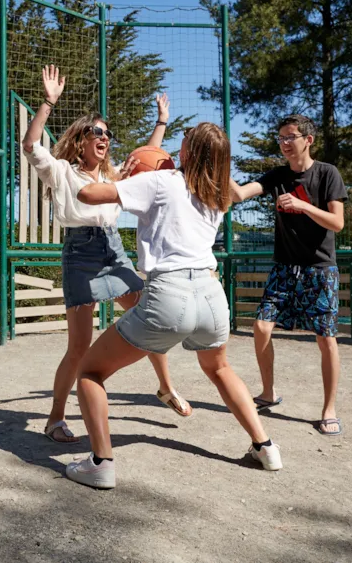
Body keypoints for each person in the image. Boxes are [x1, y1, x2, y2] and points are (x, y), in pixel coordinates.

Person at [66, 123, 282, 489]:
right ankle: (266, 447)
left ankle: (101, 463)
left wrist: (124, 175)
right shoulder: (218, 195)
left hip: (169, 293)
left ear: (187, 151)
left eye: (183, 141)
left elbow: (88, 193)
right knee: (220, 369)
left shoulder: (161, 181)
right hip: (212, 295)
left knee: (89, 372)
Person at [22, 65, 192, 445]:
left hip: (114, 250)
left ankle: (165, 387)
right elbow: (31, 145)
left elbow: (147, 160)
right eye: (96, 132)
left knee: (149, 317)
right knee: (79, 347)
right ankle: (54, 418)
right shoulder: (63, 171)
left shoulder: (115, 179)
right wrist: (48, 102)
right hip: (81, 254)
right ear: (81, 139)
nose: (104, 137)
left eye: (107, 134)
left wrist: (161, 122)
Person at [231, 114, 347, 437]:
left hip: (320, 270)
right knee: (260, 326)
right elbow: (239, 195)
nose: (284, 143)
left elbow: (337, 223)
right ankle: (268, 393)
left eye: (290, 137)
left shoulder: (327, 174)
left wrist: (301, 205)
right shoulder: (278, 175)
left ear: (308, 140)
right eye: (280, 138)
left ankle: (329, 409)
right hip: (284, 269)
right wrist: (218, 162)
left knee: (326, 339)